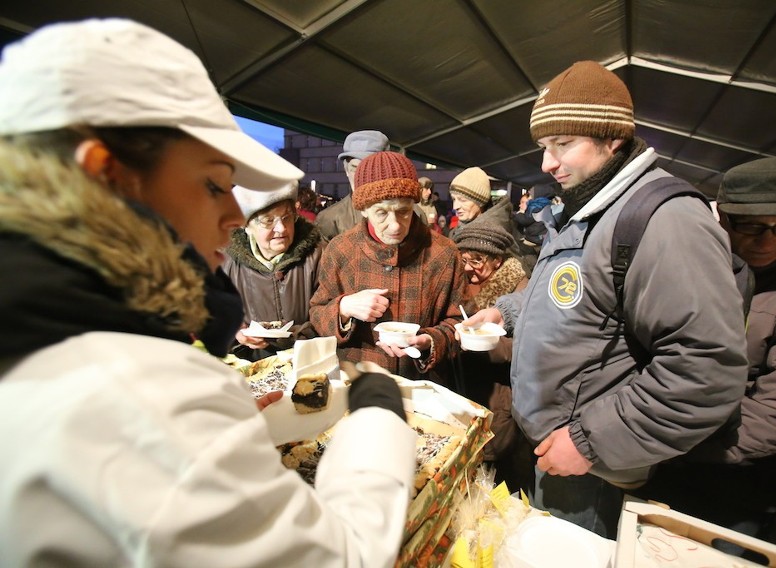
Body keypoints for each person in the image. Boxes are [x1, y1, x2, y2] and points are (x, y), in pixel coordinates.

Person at [0, 18, 415, 567]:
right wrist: (378, 415)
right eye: (215, 185)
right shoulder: (139, 394)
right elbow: (344, 557)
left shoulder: (50, 342)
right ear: (110, 177)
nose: (231, 216)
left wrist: (224, 427)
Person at [463, 60, 748, 537]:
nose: (547, 164)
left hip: (594, 470)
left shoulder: (663, 220)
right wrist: (507, 310)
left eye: (562, 145)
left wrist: (590, 442)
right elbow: (571, 294)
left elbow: (705, 367)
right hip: (556, 450)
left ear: (612, 138)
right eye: (544, 147)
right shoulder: (590, 209)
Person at [637, 157, 776, 547]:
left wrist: (665, 442)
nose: (767, 242)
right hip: (656, 454)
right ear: (723, 218)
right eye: (750, 226)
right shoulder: (695, 266)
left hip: (735, 481)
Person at [310, 151, 467, 383]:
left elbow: (460, 322)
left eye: (403, 211)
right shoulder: (340, 250)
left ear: (415, 203)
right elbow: (317, 312)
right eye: (381, 213)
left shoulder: (444, 253)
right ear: (363, 209)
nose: (394, 225)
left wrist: (430, 340)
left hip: (422, 387)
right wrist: (344, 307)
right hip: (355, 383)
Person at [452, 222, 532, 493]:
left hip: (499, 393)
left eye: (477, 260)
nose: (467, 267)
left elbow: (526, 345)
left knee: (494, 469)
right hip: (460, 386)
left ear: (498, 261)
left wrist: (486, 344)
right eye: (463, 259)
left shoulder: (520, 289)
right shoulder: (456, 282)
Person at [223, 182, 324, 360]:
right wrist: (237, 332)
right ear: (247, 226)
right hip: (252, 367)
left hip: (307, 363)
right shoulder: (227, 263)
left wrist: (292, 336)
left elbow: (329, 312)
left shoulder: (319, 255)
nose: (281, 228)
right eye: (268, 220)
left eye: (286, 217)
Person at [314, 130, 390, 240]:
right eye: (355, 168)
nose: (362, 176)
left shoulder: (411, 215)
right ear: (346, 171)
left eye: (371, 169)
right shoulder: (329, 219)